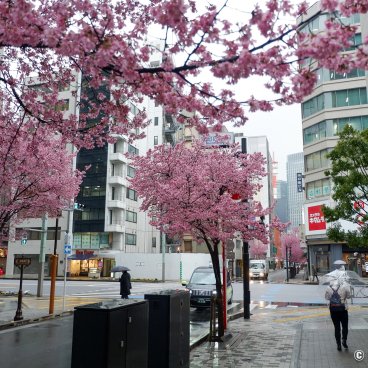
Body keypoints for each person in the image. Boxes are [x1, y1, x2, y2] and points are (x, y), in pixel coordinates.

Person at [325, 280, 351, 351]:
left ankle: (338, 345)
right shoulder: (345, 286)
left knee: (337, 327)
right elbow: (349, 296)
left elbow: (327, 298)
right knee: (345, 326)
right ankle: (344, 340)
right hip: (343, 309)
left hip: (333, 310)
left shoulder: (328, 287)